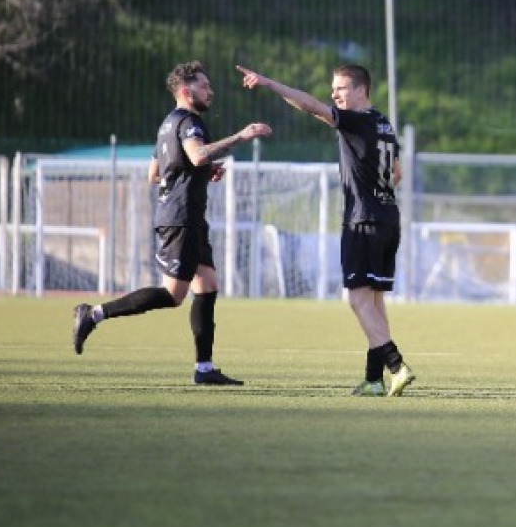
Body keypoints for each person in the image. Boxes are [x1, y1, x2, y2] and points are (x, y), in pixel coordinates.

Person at [71, 61, 272, 385]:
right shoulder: (190, 122)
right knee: (173, 295)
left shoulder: (168, 124)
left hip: (186, 218)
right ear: (185, 90)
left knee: (206, 287)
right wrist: (241, 135)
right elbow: (197, 155)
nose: (211, 91)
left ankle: (204, 369)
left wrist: (204, 171)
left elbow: (155, 174)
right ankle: (93, 314)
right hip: (181, 219)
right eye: (204, 86)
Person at [235, 63, 415, 397]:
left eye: (341, 88)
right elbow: (397, 173)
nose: (334, 94)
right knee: (374, 303)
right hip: (388, 218)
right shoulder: (384, 124)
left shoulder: (356, 120)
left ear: (361, 89)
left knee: (358, 301)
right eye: (333, 89)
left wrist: (269, 83)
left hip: (363, 222)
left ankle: (396, 366)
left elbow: (310, 106)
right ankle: (374, 380)